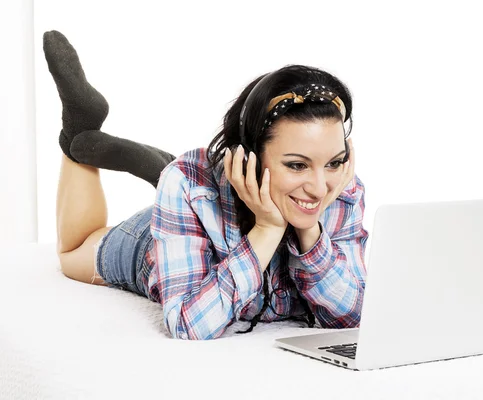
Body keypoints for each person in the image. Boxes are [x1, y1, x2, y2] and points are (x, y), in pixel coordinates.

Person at [44, 30, 369, 340]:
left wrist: (311, 233)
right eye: (297, 165)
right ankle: (80, 126)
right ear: (248, 158)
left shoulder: (339, 189)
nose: (318, 187)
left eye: (334, 161)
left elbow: (352, 315)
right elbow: (189, 325)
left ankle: (167, 170)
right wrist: (267, 229)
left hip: (202, 198)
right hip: (156, 243)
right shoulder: (192, 190)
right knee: (72, 252)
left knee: (190, 181)